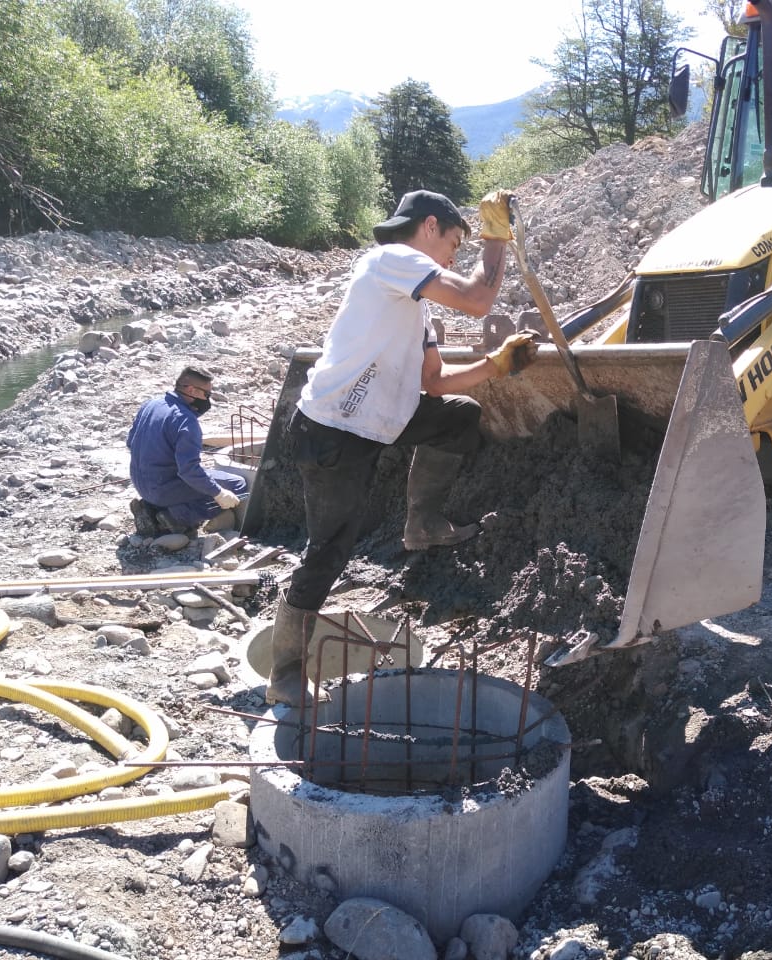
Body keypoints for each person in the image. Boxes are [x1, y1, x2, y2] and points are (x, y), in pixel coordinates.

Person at [265, 189, 539, 706]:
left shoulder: (415, 309)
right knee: (329, 551)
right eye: (454, 243)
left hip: (376, 422)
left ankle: (423, 523)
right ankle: (285, 673)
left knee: (457, 417)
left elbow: (434, 383)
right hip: (332, 428)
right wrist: (495, 238)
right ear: (429, 226)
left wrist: (495, 367)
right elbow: (478, 299)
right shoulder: (391, 259)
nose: (453, 257)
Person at [127, 365, 246, 536]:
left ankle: (151, 507)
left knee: (205, 480)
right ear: (191, 390)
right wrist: (219, 493)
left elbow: (130, 443)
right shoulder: (185, 420)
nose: (207, 399)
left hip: (140, 483)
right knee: (237, 485)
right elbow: (189, 471)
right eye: (206, 394)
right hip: (162, 488)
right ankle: (174, 517)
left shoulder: (150, 405)